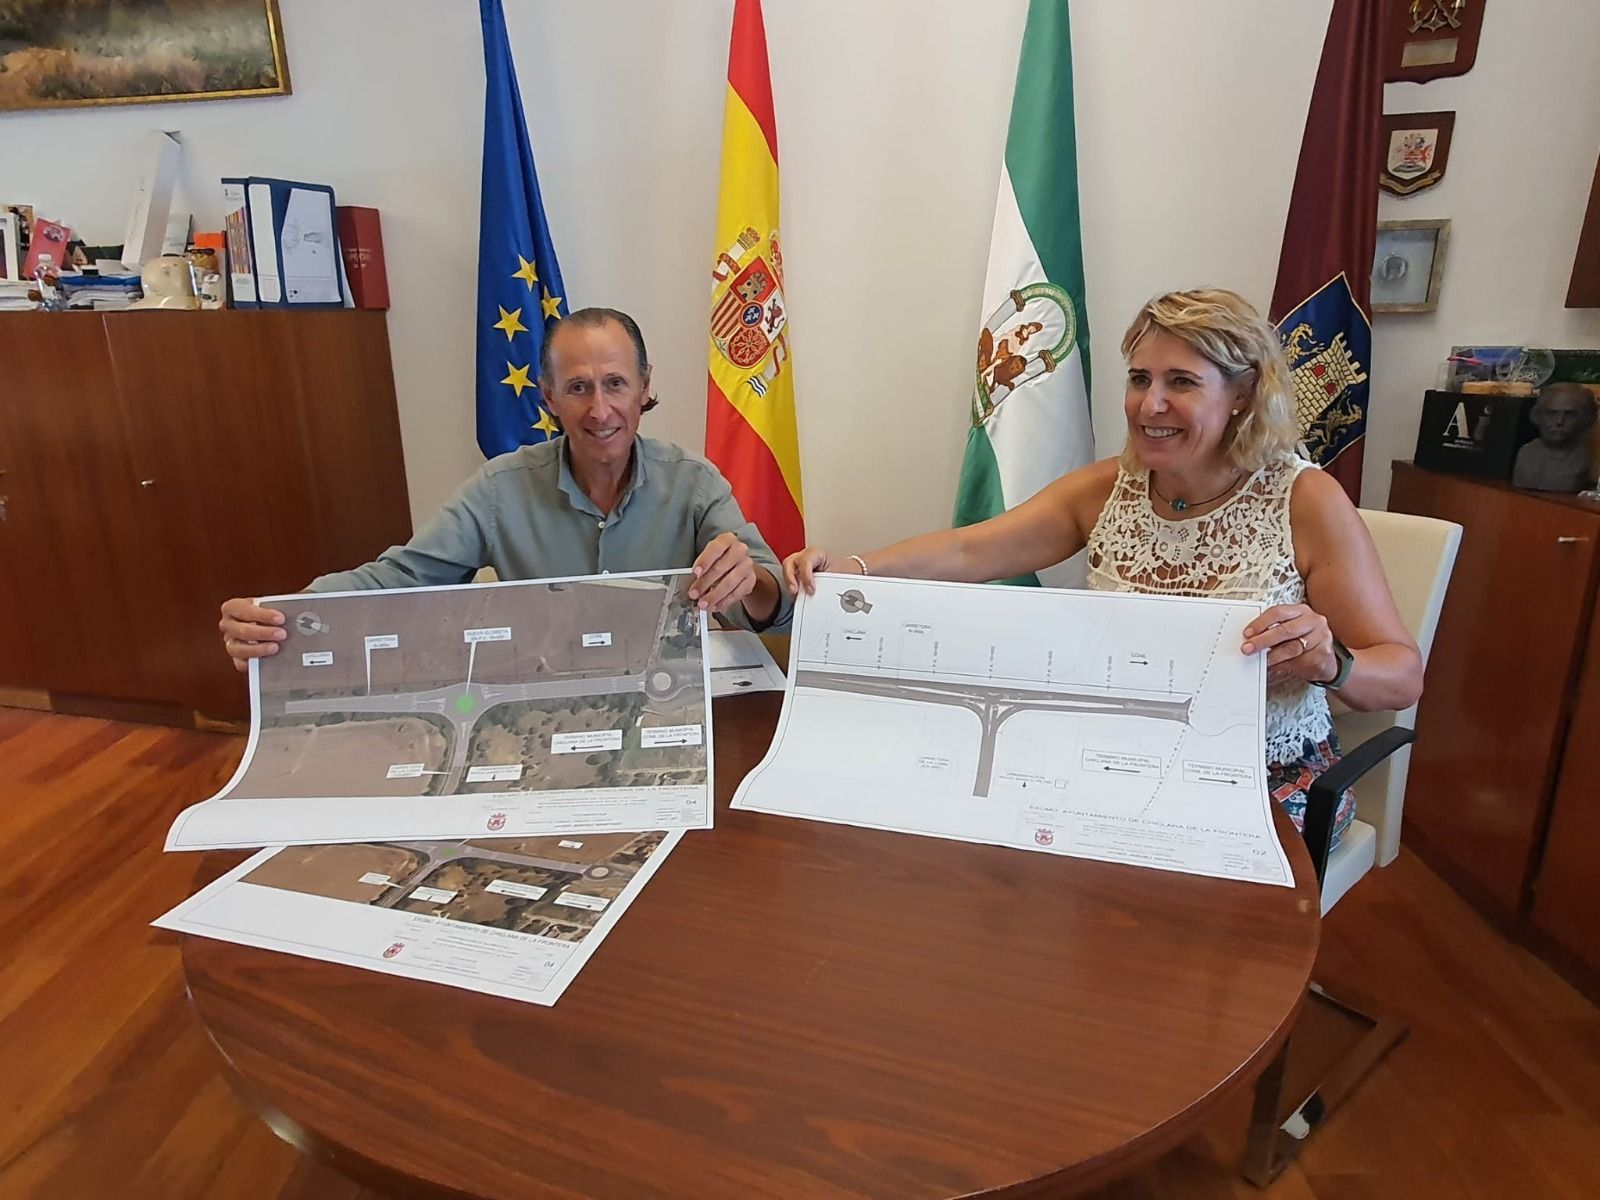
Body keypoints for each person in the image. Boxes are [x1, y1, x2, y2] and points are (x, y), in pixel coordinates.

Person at [784, 287, 1423, 851]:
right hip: (1114, 757)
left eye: (1182, 382)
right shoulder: (1106, 490)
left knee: (1141, 861)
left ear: (1242, 394)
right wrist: (854, 569)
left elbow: (1401, 674)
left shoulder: (1304, 502)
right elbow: (969, 551)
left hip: (1263, 774)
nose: (1150, 404)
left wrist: (1330, 660)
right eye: (1140, 379)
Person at [220, 307, 790, 669]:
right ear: (548, 398)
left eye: (616, 383)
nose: (600, 409)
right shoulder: (500, 489)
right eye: (578, 388)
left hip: (668, 694)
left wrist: (750, 580)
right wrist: (284, 614)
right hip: (541, 697)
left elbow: (774, 606)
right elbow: (400, 578)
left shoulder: (693, 482)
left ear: (645, 387)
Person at [1512, 382, 1598, 492]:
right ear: (1537, 416)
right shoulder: (1526, 452)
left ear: (1587, 420)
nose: (1559, 421)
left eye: (1570, 415)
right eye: (1551, 413)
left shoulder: (1583, 459)